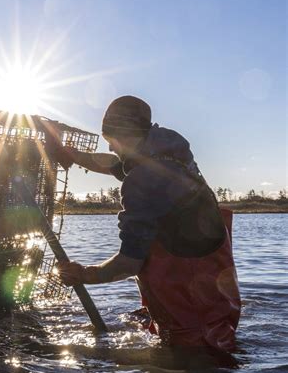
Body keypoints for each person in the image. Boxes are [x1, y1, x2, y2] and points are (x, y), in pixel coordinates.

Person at [58, 96, 241, 351]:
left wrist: (83, 274)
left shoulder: (142, 181)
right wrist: (73, 155)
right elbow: (115, 165)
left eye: (110, 141)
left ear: (120, 135)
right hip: (220, 313)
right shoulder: (175, 160)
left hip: (192, 333)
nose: (110, 149)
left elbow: (130, 263)